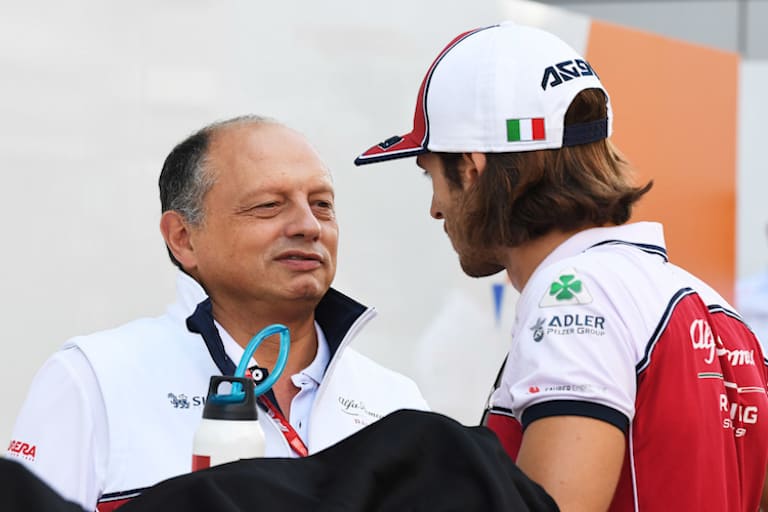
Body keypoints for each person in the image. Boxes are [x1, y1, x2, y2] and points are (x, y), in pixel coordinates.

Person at [355, 21, 768, 511]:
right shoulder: (715, 309)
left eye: (432, 177)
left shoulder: (573, 292)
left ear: (470, 168)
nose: (436, 209)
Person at [7, 115, 429, 511]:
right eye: (268, 205)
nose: (308, 225)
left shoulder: (395, 402)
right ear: (183, 238)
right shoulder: (93, 380)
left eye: (321, 205)